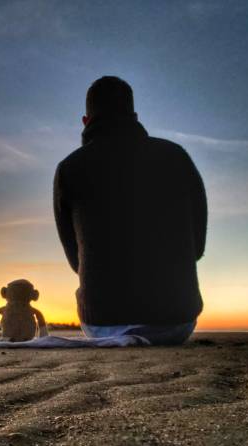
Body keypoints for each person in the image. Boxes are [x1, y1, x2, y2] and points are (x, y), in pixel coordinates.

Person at [53, 76, 207, 345]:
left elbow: (76, 261)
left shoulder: (69, 168)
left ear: (86, 122)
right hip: (176, 321)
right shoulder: (176, 156)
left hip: (103, 324)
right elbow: (198, 248)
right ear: (134, 116)